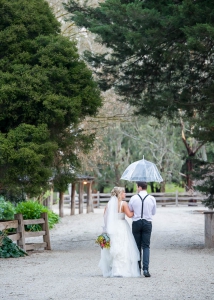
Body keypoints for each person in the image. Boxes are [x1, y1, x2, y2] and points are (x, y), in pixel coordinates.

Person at [99, 187, 140, 277]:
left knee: (114, 246)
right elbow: (129, 215)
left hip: (112, 227)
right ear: (120, 194)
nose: (125, 194)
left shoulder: (109, 204)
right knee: (123, 245)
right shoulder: (123, 204)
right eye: (124, 192)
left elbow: (105, 217)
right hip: (121, 226)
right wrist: (136, 211)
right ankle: (123, 269)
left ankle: (114, 269)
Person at [128, 181, 156, 277]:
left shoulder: (133, 198)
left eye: (137, 186)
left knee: (137, 246)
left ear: (140, 187)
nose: (136, 188)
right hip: (147, 223)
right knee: (146, 246)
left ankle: (137, 269)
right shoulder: (152, 198)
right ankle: (146, 269)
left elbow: (130, 209)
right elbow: (154, 212)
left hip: (136, 222)